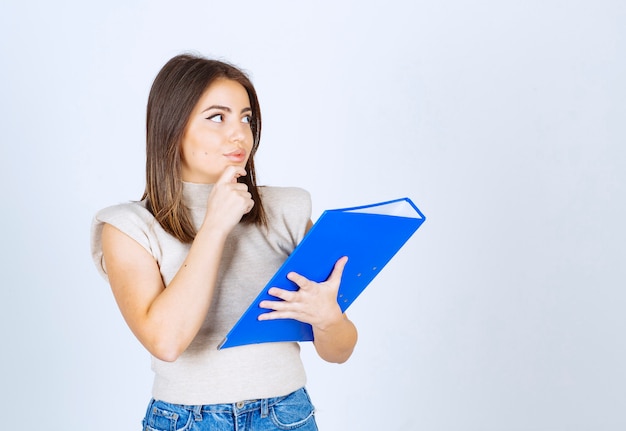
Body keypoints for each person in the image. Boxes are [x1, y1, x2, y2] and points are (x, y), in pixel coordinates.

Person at [90, 53, 358, 431]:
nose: (239, 135)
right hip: (185, 420)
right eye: (217, 117)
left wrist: (329, 318)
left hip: (286, 415)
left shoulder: (287, 210)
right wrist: (214, 226)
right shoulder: (128, 227)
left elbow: (340, 350)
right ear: (172, 126)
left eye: (246, 118)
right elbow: (166, 342)